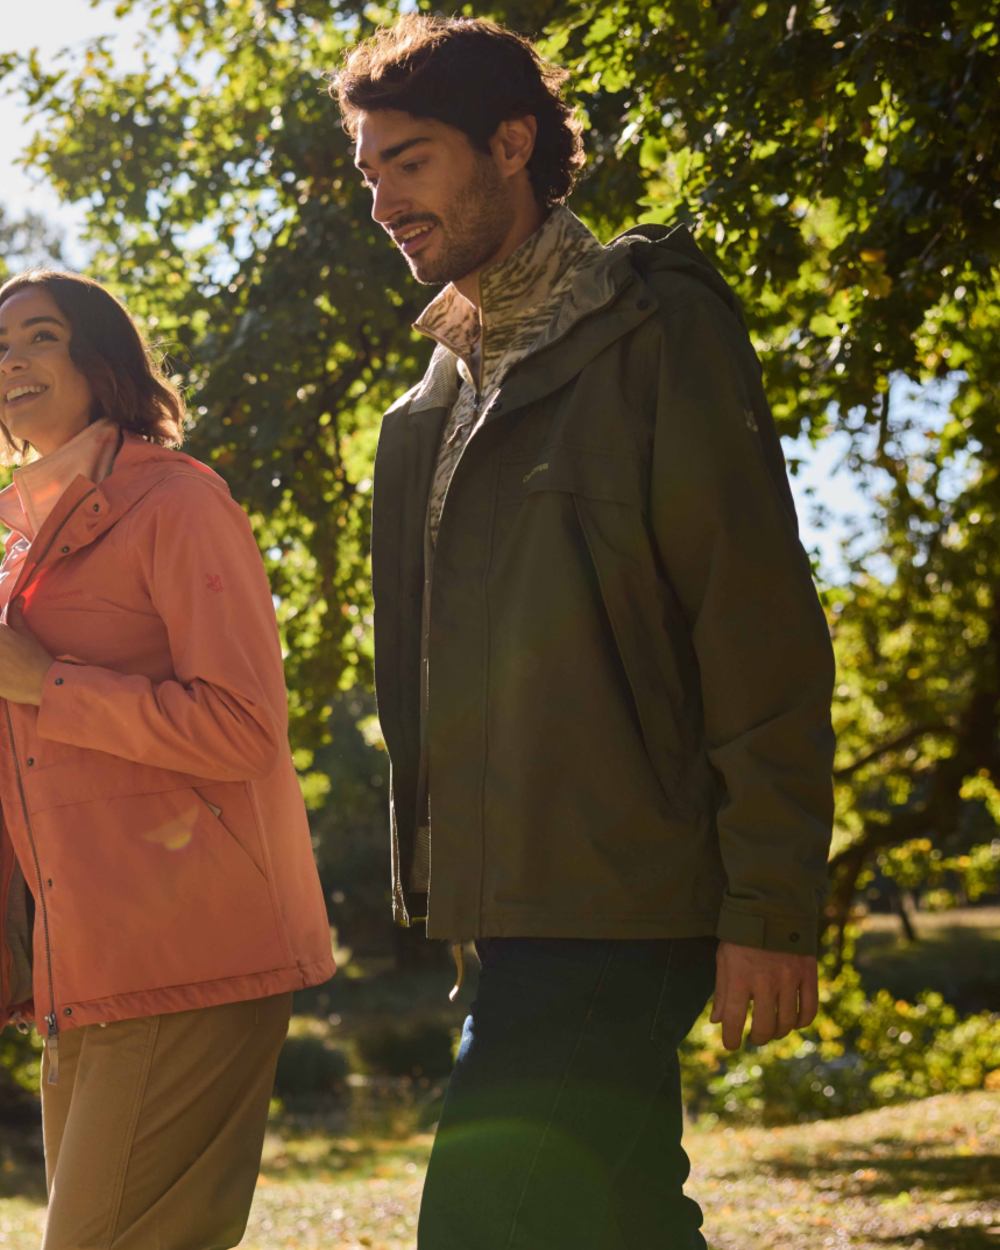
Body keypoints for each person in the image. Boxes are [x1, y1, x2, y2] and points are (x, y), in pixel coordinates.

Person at [334, 14, 836, 1250]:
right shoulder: (428, 404)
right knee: (617, 1222)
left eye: (412, 161)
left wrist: (769, 902)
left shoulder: (651, 330)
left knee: (481, 1226)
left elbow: (754, 614)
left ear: (512, 143)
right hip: (504, 908)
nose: (386, 199)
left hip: (628, 893)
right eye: (370, 173)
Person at [0, 269, 335, 1250]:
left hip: (188, 949)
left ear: (101, 362)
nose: (11, 358)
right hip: (87, 963)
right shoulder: (24, 544)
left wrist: (42, 681)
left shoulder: (178, 502)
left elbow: (241, 726)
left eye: (41, 336)